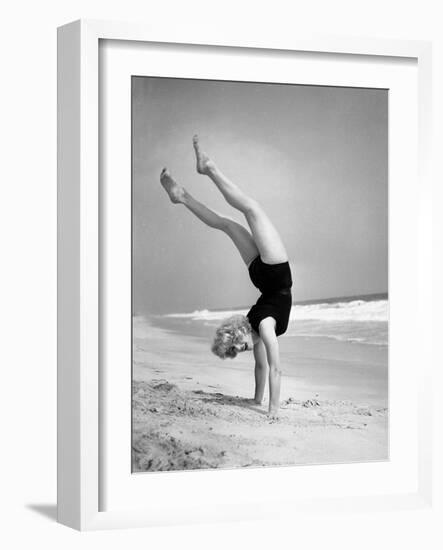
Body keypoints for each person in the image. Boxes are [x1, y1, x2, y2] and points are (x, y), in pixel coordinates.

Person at [160, 136, 293, 418]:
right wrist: (258, 401)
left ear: (241, 331)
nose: (245, 348)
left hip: (273, 270)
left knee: (251, 210)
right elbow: (263, 367)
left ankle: (209, 168)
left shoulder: (263, 328)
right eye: (241, 349)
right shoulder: (258, 331)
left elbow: (276, 369)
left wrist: (274, 411)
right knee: (226, 224)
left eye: (240, 345)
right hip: (263, 275)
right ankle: (182, 196)